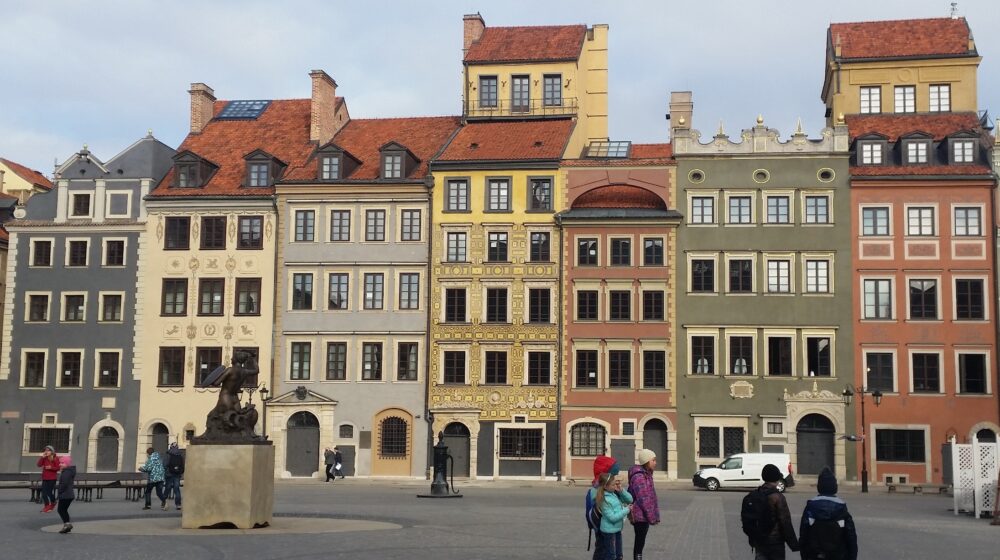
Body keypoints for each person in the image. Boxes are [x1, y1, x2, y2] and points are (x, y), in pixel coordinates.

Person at [799, 467, 858, 560]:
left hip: (815, 554)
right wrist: (852, 556)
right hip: (838, 554)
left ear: (819, 486)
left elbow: (803, 534)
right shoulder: (842, 508)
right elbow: (851, 536)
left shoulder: (810, 507)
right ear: (834, 487)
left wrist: (804, 555)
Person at [750, 464, 799, 560]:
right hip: (775, 542)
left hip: (759, 541)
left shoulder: (756, 494)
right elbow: (785, 522)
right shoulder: (778, 497)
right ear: (776, 479)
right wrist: (794, 544)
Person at [627, 449, 660, 560]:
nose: (655, 463)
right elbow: (644, 499)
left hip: (644, 515)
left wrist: (654, 515)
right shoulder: (640, 477)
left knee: (640, 541)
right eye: (653, 460)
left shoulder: (647, 474)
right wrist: (652, 518)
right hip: (640, 515)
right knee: (639, 541)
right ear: (646, 461)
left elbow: (652, 497)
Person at [589, 456, 622, 560]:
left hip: (608, 525)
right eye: (613, 475)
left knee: (603, 548)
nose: (615, 478)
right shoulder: (596, 490)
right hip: (603, 525)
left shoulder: (608, 489)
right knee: (604, 549)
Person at [595, 471, 634, 560]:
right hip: (609, 532)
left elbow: (630, 499)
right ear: (605, 486)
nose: (615, 486)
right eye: (613, 485)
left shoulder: (613, 494)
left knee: (619, 554)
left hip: (617, 529)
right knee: (611, 555)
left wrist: (621, 490)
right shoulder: (604, 499)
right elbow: (612, 518)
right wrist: (627, 510)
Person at [55, 455, 76, 534]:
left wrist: (60, 491)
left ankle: (67, 525)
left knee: (61, 510)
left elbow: (64, 484)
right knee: (63, 510)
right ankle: (67, 525)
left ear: (67, 464)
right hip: (68, 494)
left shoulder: (67, 472)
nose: (60, 464)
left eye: (62, 463)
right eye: (60, 463)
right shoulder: (68, 471)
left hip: (66, 494)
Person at [37, 445, 60, 513]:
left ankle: (53, 501)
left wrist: (51, 468)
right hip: (45, 478)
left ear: (51, 451)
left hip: (52, 478)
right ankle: (46, 506)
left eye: (48, 450)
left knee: (49, 492)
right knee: (44, 493)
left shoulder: (55, 458)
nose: (46, 452)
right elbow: (39, 465)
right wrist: (42, 457)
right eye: (45, 450)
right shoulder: (44, 458)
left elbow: (58, 468)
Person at [164, 443, 184, 510]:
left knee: (167, 488)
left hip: (169, 474)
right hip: (177, 474)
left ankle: (164, 503)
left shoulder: (168, 454)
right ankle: (178, 504)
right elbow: (182, 465)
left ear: (171, 447)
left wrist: (167, 470)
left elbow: (165, 464)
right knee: (177, 489)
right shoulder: (180, 454)